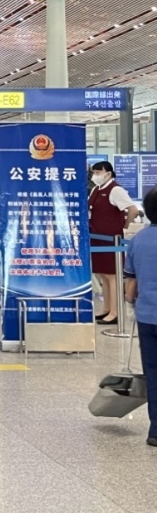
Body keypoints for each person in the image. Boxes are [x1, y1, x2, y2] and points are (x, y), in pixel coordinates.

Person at [125, 186, 157, 447]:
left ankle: (155, 430)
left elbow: (130, 287)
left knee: (153, 374)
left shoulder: (139, 240)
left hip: (147, 316)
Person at [89, 161, 139, 325]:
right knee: (103, 275)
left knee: (112, 275)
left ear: (108, 173)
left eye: (99, 172)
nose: (96, 175)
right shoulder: (96, 189)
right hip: (97, 237)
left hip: (111, 238)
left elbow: (132, 210)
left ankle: (115, 312)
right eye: (94, 172)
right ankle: (106, 308)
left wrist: (124, 226)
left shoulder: (115, 190)